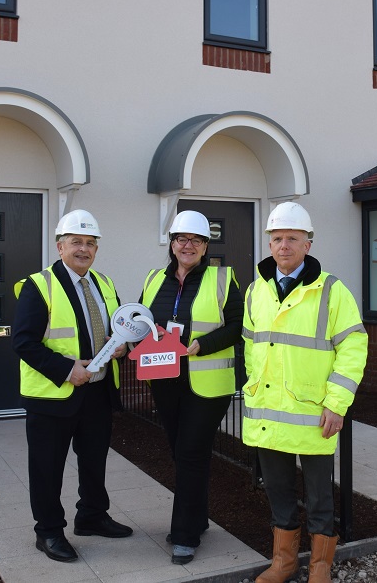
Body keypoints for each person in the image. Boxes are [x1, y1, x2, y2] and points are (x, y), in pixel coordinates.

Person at [241, 202, 368, 583]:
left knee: (319, 497)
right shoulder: (256, 290)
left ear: (307, 244)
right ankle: (283, 562)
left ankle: (320, 565)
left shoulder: (332, 290)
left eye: (292, 239)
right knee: (278, 491)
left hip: (315, 413)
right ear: (269, 242)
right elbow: (251, 345)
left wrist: (337, 403)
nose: (284, 246)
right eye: (277, 238)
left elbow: (353, 347)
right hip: (268, 411)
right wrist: (252, 387)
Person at [12, 209, 133, 563]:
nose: (84, 249)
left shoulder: (104, 283)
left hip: (97, 391)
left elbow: (117, 330)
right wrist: (67, 369)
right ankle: (48, 532)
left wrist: (122, 346)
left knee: (94, 460)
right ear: (59, 246)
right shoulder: (39, 285)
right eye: (76, 242)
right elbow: (23, 342)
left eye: (90, 243)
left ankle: (92, 516)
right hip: (53, 396)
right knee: (47, 468)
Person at [138, 210, 243, 565]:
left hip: (208, 385)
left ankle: (184, 536)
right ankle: (197, 520)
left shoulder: (223, 279)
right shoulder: (155, 279)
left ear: (205, 246)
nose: (188, 245)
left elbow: (237, 325)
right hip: (165, 380)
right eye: (181, 239)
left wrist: (203, 344)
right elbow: (143, 322)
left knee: (191, 454)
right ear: (171, 243)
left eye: (195, 240)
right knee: (180, 452)